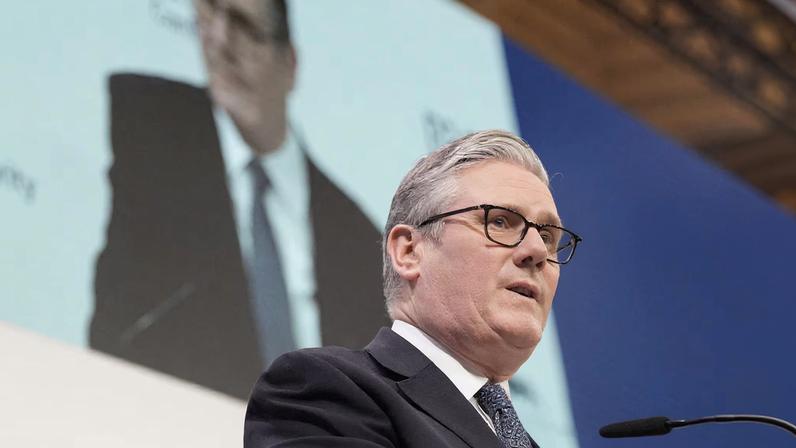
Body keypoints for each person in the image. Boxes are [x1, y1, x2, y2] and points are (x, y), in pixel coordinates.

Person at [89, 0, 388, 400]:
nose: (221, 43)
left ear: (290, 65)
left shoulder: (356, 237)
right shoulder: (152, 130)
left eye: (246, 27)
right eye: (210, 15)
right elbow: (115, 328)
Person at [244, 130, 582, 447]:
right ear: (408, 251)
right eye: (499, 222)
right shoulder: (323, 392)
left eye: (549, 237)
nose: (538, 251)